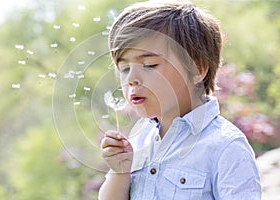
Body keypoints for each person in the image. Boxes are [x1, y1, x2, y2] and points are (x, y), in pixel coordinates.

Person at [99, 0, 262, 199]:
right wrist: (120, 171)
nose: (131, 79)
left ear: (197, 69)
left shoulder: (226, 146)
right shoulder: (138, 141)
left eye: (149, 65)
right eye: (124, 69)